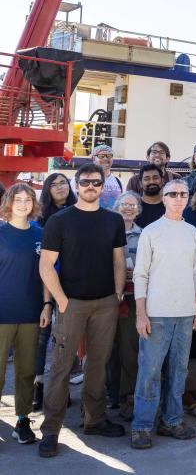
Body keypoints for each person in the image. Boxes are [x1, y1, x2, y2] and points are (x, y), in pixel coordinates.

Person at [38, 162, 127, 458]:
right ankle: (50, 430)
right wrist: (61, 302)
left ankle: (94, 419)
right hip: (71, 303)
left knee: (98, 365)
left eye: (96, 183)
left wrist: (116, 294)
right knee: (61, 367)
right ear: (77, 185)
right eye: (85, 182)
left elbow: (118, 261)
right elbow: (46, 266)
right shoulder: (60, 221)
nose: (91, 187)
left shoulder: (113, 220)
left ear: (103, 187)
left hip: (105, 304)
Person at [130, 179, 196, 449]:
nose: (178, 198)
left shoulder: (192, 232)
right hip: (156, 314)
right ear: (163, 198)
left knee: (179, 371)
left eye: (183, 193)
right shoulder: (151, 231)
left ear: (187, 198)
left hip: (185, 314)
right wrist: (141, 313)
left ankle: (172, 420)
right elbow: (141, 275)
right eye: (172, 193)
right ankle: (141, 426)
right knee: (149, 371)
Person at [0, 184, 51, 445]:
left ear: (34, 204)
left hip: (32, 312)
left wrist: (47, 305)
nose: (22, 204)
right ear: (8, 202)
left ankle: (22, 420)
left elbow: (46, 275)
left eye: (27, 200)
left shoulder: (40, 234)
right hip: (2, 313)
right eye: (17, 199)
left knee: (27, 370)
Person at [33, 173, 77, 412]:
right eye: (54, 184)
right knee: (42, 338)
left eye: (63, 182)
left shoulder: (79, 211)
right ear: (47, 190)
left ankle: (62, 389)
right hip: (43, 285)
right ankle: (39, 385)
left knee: (65, 342)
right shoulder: (40, 218)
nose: (60, 187)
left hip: (70, 287)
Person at [107, 192, 142, 420]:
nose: (128, 208)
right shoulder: (106, 231)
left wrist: (135, 271)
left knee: (130, 349)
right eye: (124, 204)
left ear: (138, 210)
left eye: (133, 205)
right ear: (116, 207)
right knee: (106, 349)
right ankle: (109, 394)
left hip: (133, 298)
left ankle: (129, 396)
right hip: (108, 296)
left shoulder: (145, 234)